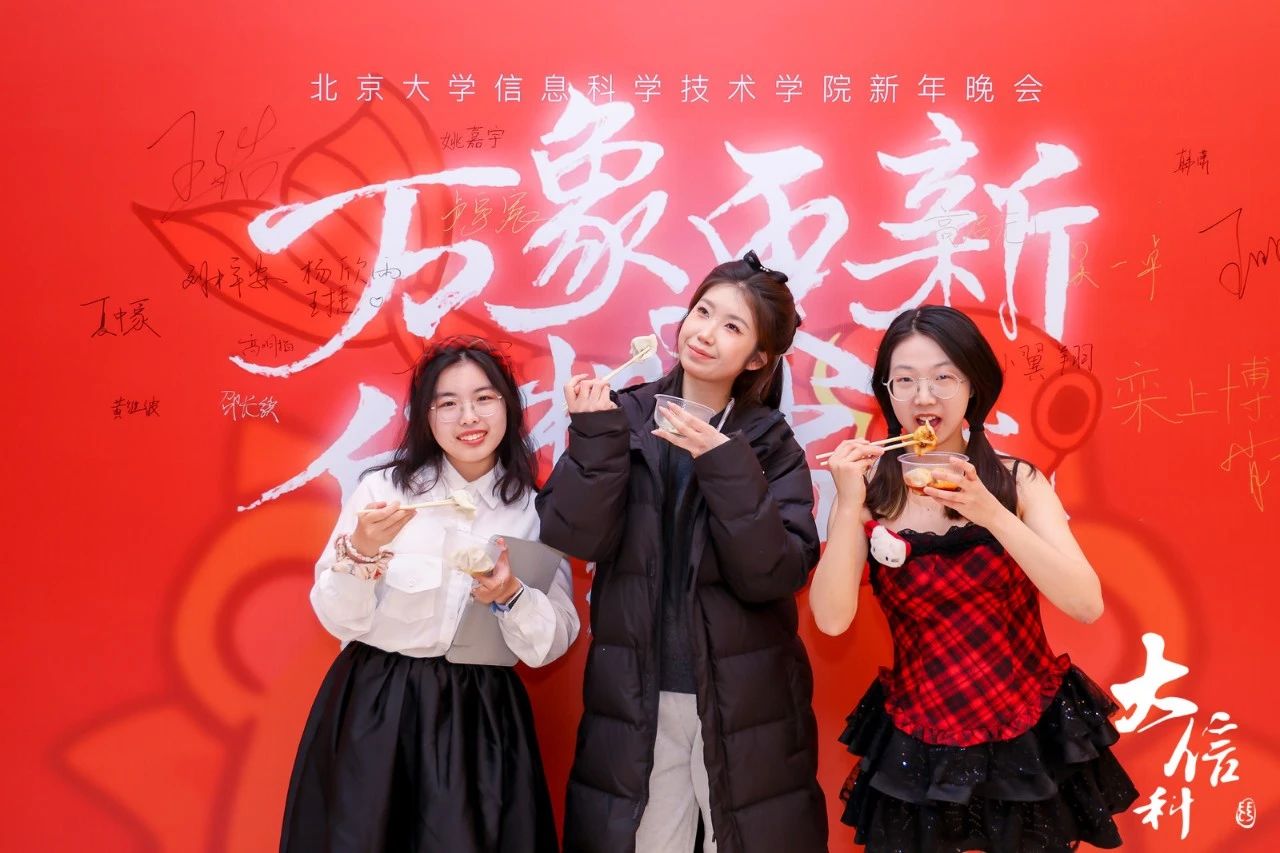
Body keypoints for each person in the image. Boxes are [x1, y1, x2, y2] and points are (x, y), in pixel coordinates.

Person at [811, 305, 1138, 852]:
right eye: (904, 380)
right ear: (887, 393)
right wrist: (847, 507)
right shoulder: (869, 491)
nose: (924, 397)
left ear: (973, 387)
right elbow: (831, 619)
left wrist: (991, 512)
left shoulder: (1017, 481)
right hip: (920, 739)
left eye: (944, 377)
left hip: (1026, 729)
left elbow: (1086, 604)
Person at [537, 251, 827, 853]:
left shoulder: (769, 442)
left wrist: (724, 463)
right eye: (703, 312)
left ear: (757, 358)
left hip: (745, 700)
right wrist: (593, 438)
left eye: (732, 326)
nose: (706, 333)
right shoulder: (623, 416)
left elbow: (774, 573)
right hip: (637, 692)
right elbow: (574, 537)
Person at [280, 337, 579, 853]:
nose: (469, 417)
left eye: (484, 398)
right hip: (378, 705)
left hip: (481, 719)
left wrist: (511, 594)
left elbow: (550, 645)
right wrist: (361, 552)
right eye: (448, 403)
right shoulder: (383, 493)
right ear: (425, 416)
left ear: (509, 407)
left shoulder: (534, 512)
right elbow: (338, 619)